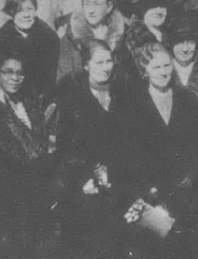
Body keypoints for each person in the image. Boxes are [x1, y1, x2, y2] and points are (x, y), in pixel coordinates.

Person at [126, 42, 198, 258]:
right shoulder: (132, 105)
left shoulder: (187, 99)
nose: (163, 72)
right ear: (144, 70)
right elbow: (129, 153)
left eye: (167, 66)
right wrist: (148, 191)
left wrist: (191, 176)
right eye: (156, 67)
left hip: (186, 192)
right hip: (151, 196)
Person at [0, 51, 57, 258]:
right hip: (2, 191)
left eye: (20, 73)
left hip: (33, 185)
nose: (14, 78)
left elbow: (39, 139)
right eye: (8, 72)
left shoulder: (29, 99)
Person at [55, 40, 135, 259]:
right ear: (86, 65)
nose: (105, 67)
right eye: (99, 62)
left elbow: (130, 139)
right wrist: (84, 177)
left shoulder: (123, 91)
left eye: (109, 61)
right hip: (85, 184)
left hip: (119, 181)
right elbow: (64, 146)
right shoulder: (72, 96)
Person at [57, 0, 127, 80]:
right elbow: (63, 78)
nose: (91, 10)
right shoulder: (70, 39)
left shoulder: (121, 37)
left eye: (96, 4)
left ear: (109, 6)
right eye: (87, 4)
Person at [0, 0, 60, 96]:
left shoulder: (48, 36)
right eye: (19, 11)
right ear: (11, 13)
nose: (26, 15)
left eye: (29, 9)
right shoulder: (3, 36)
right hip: (11, 93)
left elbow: (51, 75)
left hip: (41, 94)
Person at [123, 0, 171, 74]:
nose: (159, 11)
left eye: (163, 6)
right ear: (143, 10)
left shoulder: (171, 33)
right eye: (153, 6)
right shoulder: (133, 37)